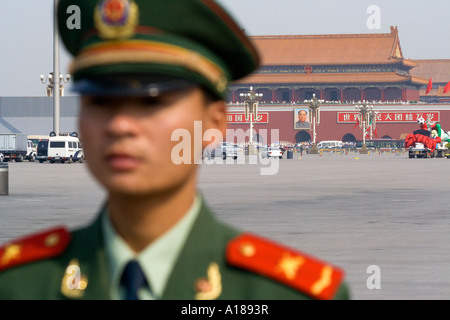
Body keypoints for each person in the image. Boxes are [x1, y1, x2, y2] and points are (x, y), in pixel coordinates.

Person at [0, 0, 350, 300]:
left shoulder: (281, 293)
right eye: (101, 100)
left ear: (214, 123)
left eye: (152, 101)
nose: (120, 124)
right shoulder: (17, 285)